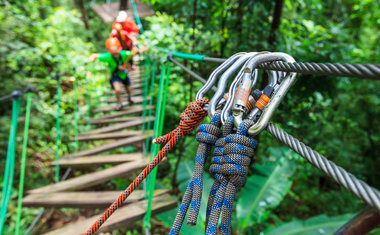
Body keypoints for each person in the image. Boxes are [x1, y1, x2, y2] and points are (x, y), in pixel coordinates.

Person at [89, 37, 136, 111]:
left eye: (117, 52)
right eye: (113, 53)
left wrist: (131, 64)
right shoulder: (108, 56)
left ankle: (130, 97)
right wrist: (92, 58)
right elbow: (95, 55)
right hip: (115, 75)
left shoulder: (124, 54)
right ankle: (119, 103)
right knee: (117, 89)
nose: (115, 54)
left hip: (124, 74)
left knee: (128, 87)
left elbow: (133, 52)